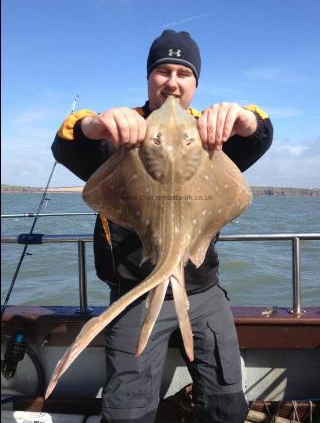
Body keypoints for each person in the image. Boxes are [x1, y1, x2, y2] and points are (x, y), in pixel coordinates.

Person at [52, 30, 273, 423]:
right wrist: (94, 124)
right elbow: (67, 145)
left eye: (183, 73)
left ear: (195, 84)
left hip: (203, 291)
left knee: (225, 402)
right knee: (127, 413)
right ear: (148, 78)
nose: (172, 82)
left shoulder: (211, 133)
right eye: (162, 71)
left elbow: (259, 137)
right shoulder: (122, 133)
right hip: (134, 292)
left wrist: (245, 118)